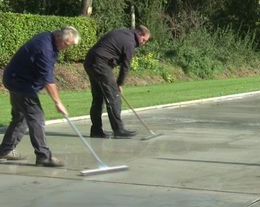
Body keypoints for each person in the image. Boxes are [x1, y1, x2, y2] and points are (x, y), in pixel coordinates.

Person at [0, 26, 80, 167]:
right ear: (59, 38)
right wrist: (58, 102)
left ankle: (4, 150)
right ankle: (43, 156)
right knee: (36, 117)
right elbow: (48, 80)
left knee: (20, 117)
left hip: (16, 79)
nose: (67, 48)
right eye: (67, 45)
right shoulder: (45, 49)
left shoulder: (49, 38)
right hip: (20, 83)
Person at [83, 25, 150, 138]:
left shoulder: (123, 32)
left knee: (98, 98)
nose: (143, 43)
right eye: (144, 40)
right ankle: (118, 130)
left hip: (91, 61)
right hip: (100, 63)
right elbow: (126, 66)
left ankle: (96, 131)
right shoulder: (130, 42)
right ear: (139, 34)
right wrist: (120, 84)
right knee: (114, 97)